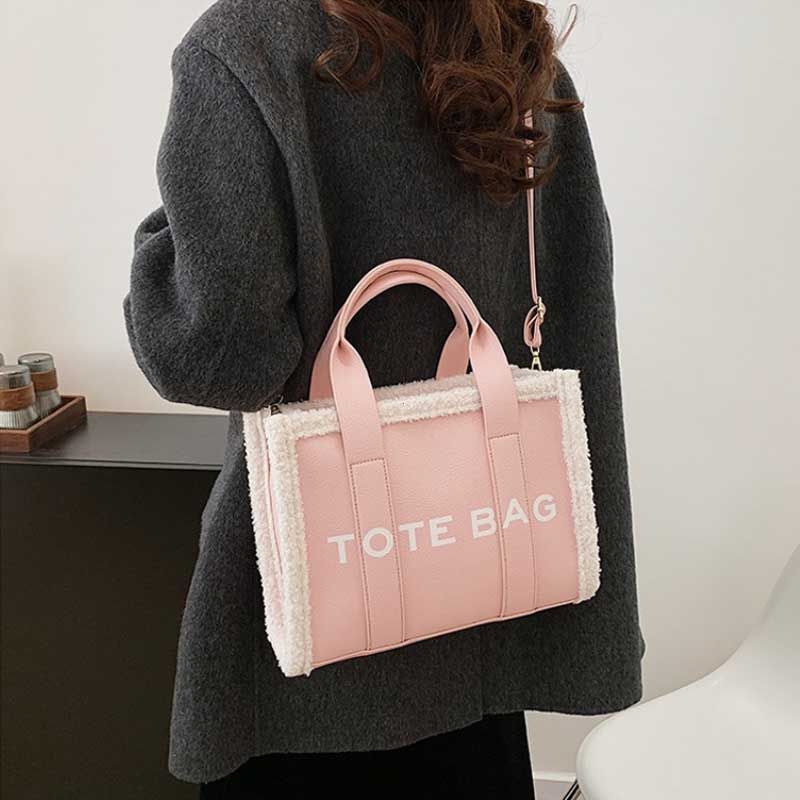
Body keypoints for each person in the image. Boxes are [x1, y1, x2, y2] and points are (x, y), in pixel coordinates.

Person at [122, 1, 645, 797]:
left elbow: (219, 356)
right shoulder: (507, 49)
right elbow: (576, 314)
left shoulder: (247, 48)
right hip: (480, 606)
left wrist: (168, 241)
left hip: (312, 661)